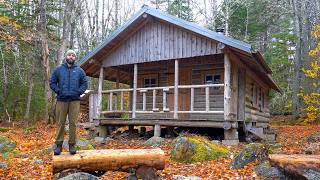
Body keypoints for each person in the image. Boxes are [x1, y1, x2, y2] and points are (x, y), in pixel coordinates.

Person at [50, 50, 88, 155]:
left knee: (73, 124)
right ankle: (58, 145)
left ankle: (72, 144)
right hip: (61, 100)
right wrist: (58, 91)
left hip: (74, 101)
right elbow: (52, 82)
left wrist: (78, 92)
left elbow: (84, 84)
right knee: (60, 123)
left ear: (75, 58)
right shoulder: (58, 70)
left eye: (73, 55)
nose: (71, 57)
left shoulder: (80, 71)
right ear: (66, 56)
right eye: (69, 55)